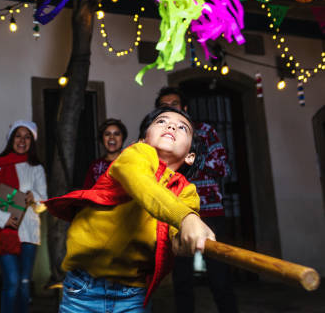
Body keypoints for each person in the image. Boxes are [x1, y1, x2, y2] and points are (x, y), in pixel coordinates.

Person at [46, 107, 215, 312]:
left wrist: (183, 240)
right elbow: (141, 183)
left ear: (190, 156)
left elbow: (175, 239)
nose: (171, 126)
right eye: (161, 122)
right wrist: (185, 217)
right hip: (84, 288)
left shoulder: (187, 192)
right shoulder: (133, 156)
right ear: (141, 141)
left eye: (182, 127)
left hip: (133, 294)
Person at [155, 86, 238, 313]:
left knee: (219, 278)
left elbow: (222, 167)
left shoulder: (204, 131)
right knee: (181, 280)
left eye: (174, 104)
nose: (170, 109)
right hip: (177, 215)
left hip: (210, 212)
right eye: (164, 107)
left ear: (184, 108)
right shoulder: (159, 137)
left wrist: (190, 159)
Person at [0, 120, 47, 313]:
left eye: (27, 136)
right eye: (18, 136)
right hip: (2, 232)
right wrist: (1, 218)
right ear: (11, 139)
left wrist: (36, 198)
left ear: (32, 141)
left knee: (24, 284)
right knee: (13, 281)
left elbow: (43, 205)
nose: (22, 140)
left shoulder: (37, 168)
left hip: (29, 234)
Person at [83, 118, 128, 189]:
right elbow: (87, 192)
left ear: (122, 138)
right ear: (102, 139)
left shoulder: (129, 162)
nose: (112, 137)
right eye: (107, 134)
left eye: (116, 134)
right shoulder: (95, 166)